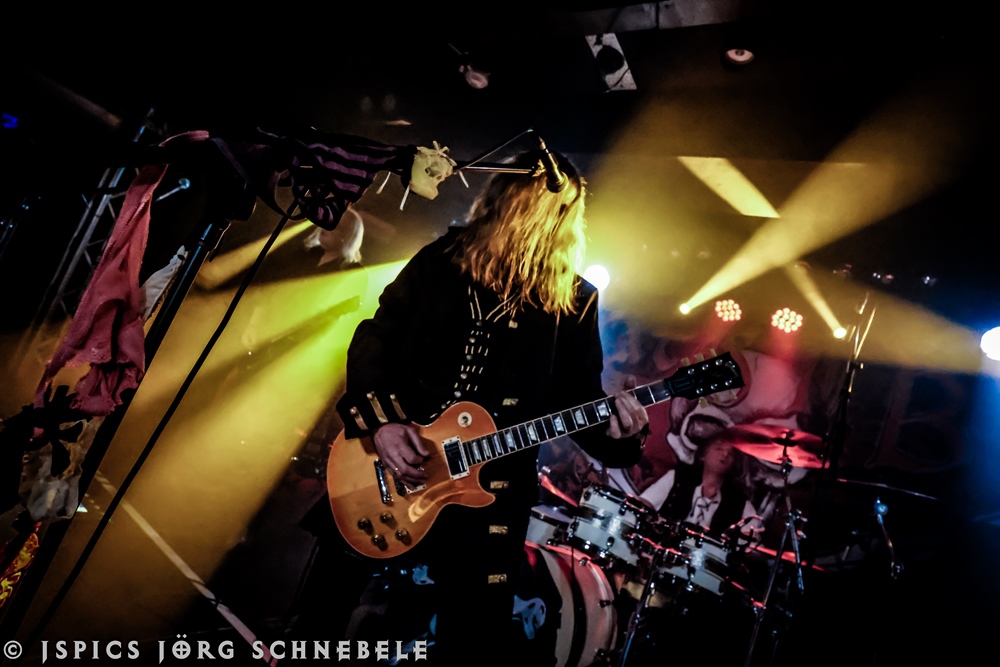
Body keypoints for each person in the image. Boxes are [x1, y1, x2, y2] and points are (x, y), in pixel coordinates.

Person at [307, 151, 648, 665]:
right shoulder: (442, 260)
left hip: (489, 499)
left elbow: (578, 401)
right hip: (391, 470)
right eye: (525, 196)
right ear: (503, 197)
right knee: (319, 625)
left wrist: (622, 435)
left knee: (472, 645)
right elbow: (375, 339)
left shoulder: (575, 299)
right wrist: (384, 426)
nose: (534, 212)